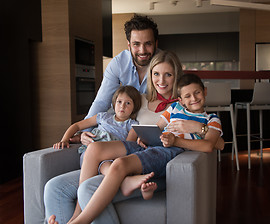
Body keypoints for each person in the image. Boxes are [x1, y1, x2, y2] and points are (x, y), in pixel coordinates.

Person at [61, 73, 223, 224]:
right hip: (151, 144)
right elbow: (158, 126)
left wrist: (182, 137)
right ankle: (76, 214)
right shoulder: (174, 109)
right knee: (94, 149)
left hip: (169, 151)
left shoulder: (211, 119)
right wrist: (144, 136)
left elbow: (209, 146)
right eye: (187, 96)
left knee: (119, 164)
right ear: (180, 100)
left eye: (197, 93)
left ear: (205, 91)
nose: (193, 98)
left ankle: (79, 222)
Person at [71, 14, 159, 145]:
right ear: (128, 45)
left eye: (148, 44)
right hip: (121, 125)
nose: (142, 50)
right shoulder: (118, 63)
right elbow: (101, 101)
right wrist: (84, 132)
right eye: (136, 44)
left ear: (156, 44)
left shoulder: (164, 64)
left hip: (149, 124)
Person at [52, 85, 142, 166]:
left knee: (106, 165)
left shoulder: (133, 125)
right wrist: (64, 139)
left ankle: (122, 179)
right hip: (90, 154)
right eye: (119, 101)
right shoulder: (103, 116)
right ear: (114, 103)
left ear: (135, 107)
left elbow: (127, 147)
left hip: (111, 156)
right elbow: (77, 126)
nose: (122, 106)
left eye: (128, 103)